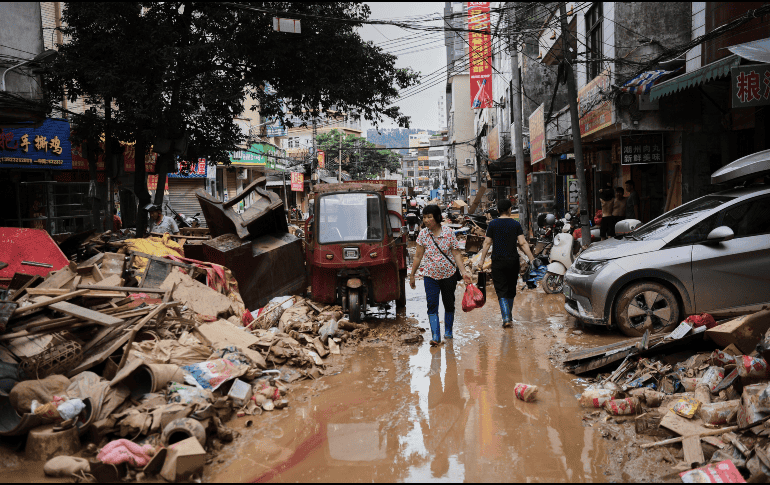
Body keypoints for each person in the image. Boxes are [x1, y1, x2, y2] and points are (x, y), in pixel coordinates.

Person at [409, 204, 472, 346]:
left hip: (449, 275)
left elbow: (456, 254)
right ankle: (436, 336)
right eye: (424, 217)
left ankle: (448, 331)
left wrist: (463, 272)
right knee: (432, 305)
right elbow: (418, 256)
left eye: (429, 217)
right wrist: (412, 274)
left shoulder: (449, 233)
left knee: (449, 304)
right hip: (430, 276)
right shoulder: (423, 234)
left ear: (437, 217)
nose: (426, 220)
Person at [476, 199, 535, 327]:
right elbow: (523, 243)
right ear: (509, 210)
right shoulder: (515, 224)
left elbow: (487, 243)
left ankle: (506, 318)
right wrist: (531, 258)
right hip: (513, 261)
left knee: (501, 290)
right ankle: (508, 316)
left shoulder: (493, 224)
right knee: (511, 289)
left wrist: (481, 260)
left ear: (498, 210)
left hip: (498, 262)